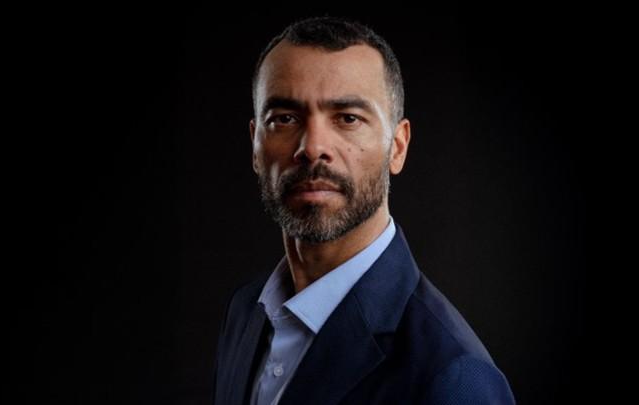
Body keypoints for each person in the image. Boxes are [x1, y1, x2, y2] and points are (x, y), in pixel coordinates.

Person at [211, 16, 515, 405]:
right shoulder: (244, 311)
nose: (313, 147)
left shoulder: (455, 378)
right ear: (255, 146)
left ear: (398, 147)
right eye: (284, 119)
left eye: (348, 118)